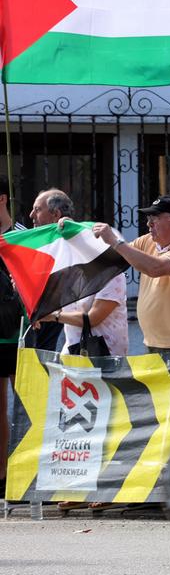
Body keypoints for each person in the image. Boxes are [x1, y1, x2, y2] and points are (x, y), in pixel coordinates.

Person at [92, 196, 170, 353]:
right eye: (149, 218)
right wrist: (77, 230)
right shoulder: (150, 241)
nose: (148, 224)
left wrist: (115, 241)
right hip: (156, 341)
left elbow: (156, 268)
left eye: (155, 218)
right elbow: (117, 255)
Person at [0, 175, 25, 493]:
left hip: (19, 334)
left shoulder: (22, 237)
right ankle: (3, 476)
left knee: (28, 408)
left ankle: (29, 474)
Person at [27, 188, 75, 351]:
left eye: (37, 210)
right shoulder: (39, 244)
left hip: (64, 332)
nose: (31, 215)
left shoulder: (74, 243)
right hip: (40, 331)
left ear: (56, 215)